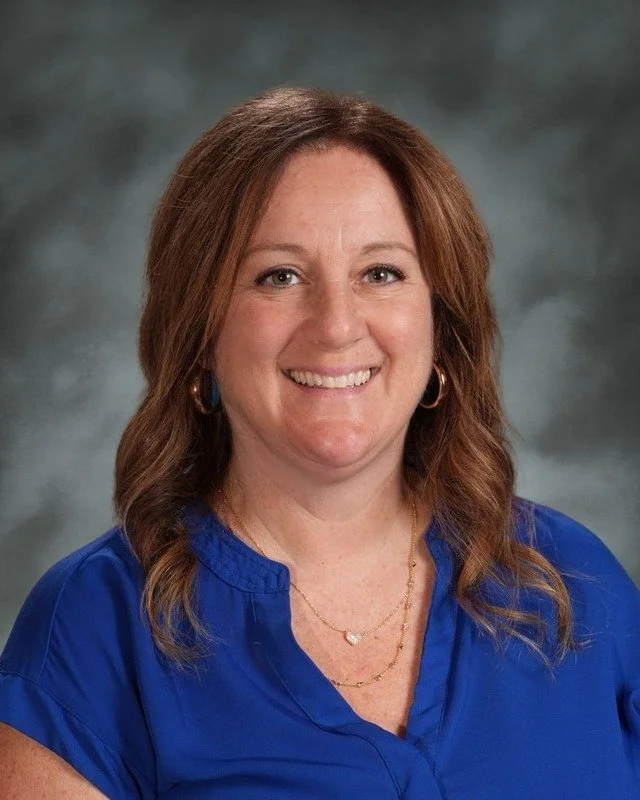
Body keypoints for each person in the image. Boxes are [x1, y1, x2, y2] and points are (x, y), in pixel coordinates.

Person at [0, 86, 638, 800]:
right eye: (280, 276)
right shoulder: (92, 628)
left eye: (381, 273)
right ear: (200, 336)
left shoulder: (574, 585)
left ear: (441, 334)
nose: (337, 325)